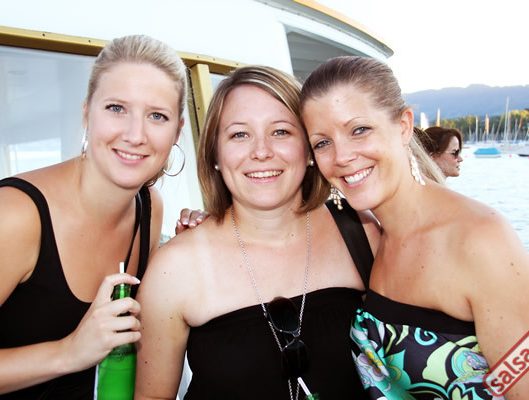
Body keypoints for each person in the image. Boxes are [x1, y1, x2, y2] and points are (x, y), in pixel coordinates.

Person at [299, 56, 529, 399]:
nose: (341, 156)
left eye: (359, 130)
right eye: (322, 142)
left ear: (404, 126)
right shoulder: (370, 236)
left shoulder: (479, 239)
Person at [135, 65, 382, 400]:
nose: (262, 151)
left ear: (309, 148)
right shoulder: (173, 269)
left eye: (281, 132)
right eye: (240, 135)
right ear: (215, 154)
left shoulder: (363, 233)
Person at [0, 34, 187, 399]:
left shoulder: (150, 208)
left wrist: (193, 247)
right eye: (116, 108)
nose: (135, 135)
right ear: (86, 113)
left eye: (157, 116)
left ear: (177, 131)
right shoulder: (14, 216)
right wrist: (68, 353)